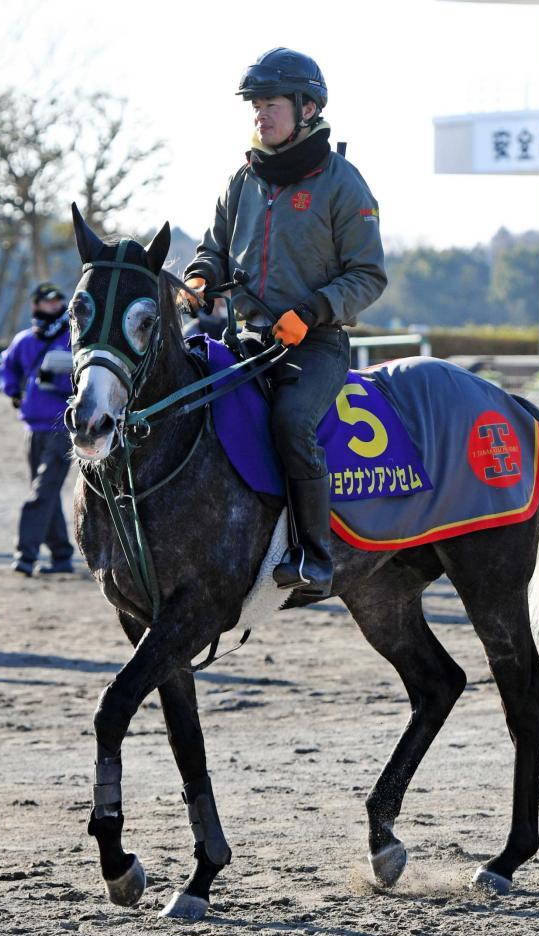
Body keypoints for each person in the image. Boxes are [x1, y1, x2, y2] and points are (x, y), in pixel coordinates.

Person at [179, 47, 387, 600]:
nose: (260, 116)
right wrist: (199, 278)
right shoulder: (241, 181)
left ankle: (315, 558)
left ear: (308, 108)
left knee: (292, 424)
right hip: (244, 340)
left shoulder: (344, 183)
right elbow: (214, 251)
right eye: (255, 107)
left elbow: (368, 275)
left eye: (270, 104)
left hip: (313, 346)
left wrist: (312, 312)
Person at [0, 282, 75, 577]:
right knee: (48, 494)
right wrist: (13, 392)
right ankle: (61, 557)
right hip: (32, 428)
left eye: (57, 301)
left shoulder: (72, 338)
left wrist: (53, 379)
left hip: (62, 428)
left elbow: (82, 380)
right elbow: (7, 367)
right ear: (36, 305)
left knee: (41, 493)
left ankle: (26, 555)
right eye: (47, 302)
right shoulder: (24, 340)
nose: (54, 306)